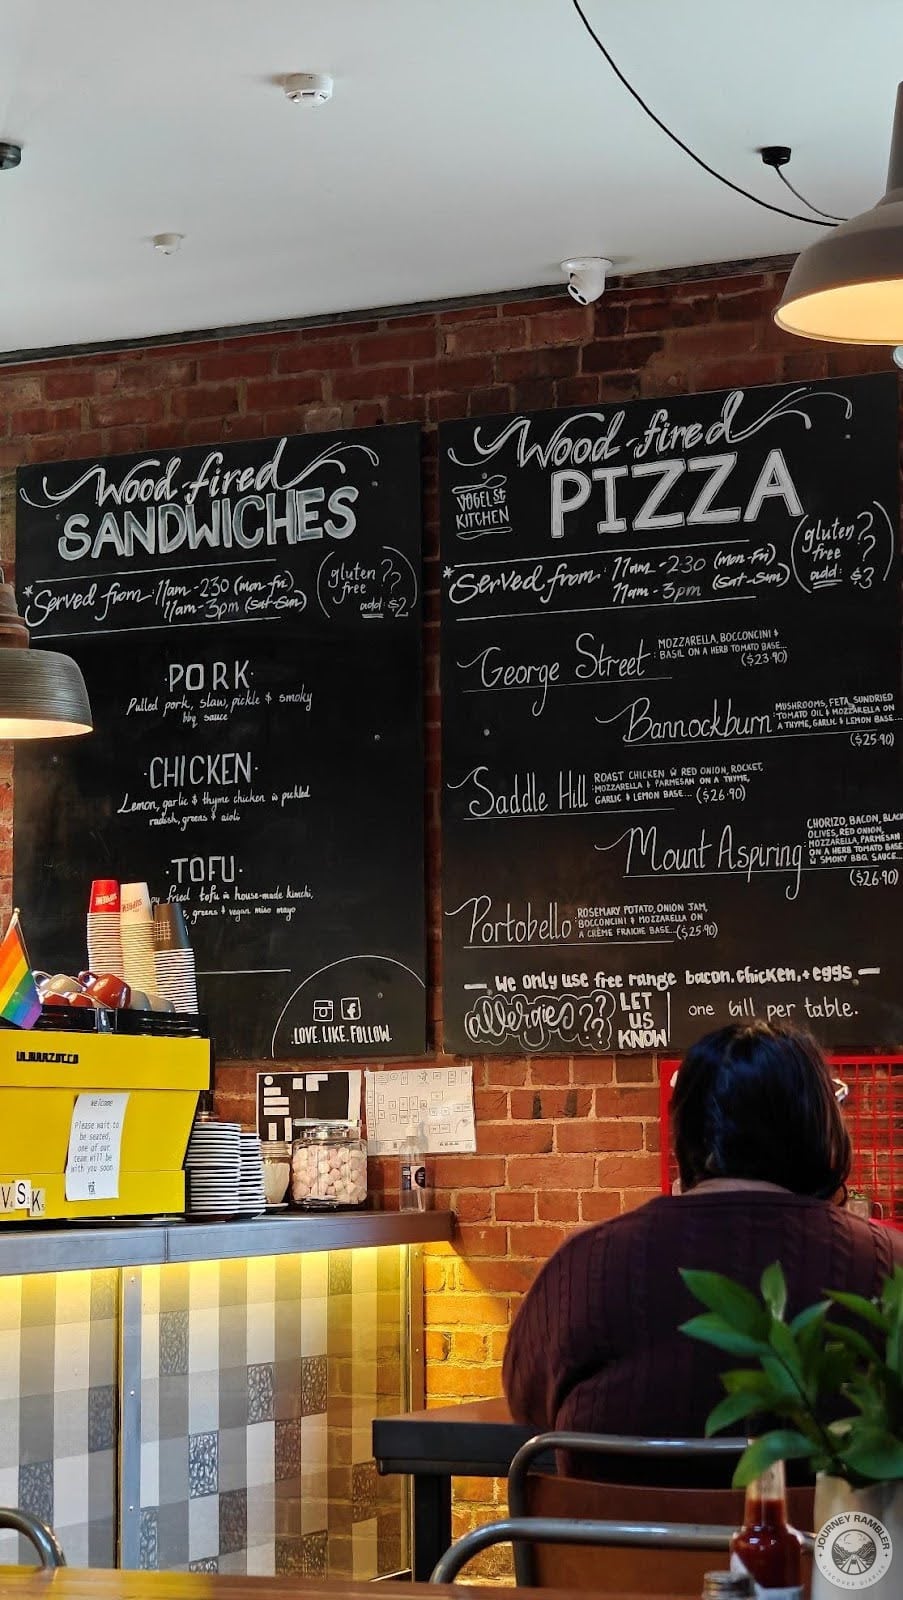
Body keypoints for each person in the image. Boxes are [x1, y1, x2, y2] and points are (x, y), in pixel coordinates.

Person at [503, 1021, 903, 1448]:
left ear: (685, 1133)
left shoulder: (582, 1268)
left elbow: (526, 1403)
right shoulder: (886, 1265)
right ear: (820, 1132)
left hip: (618, 1517)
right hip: (829, 1518)